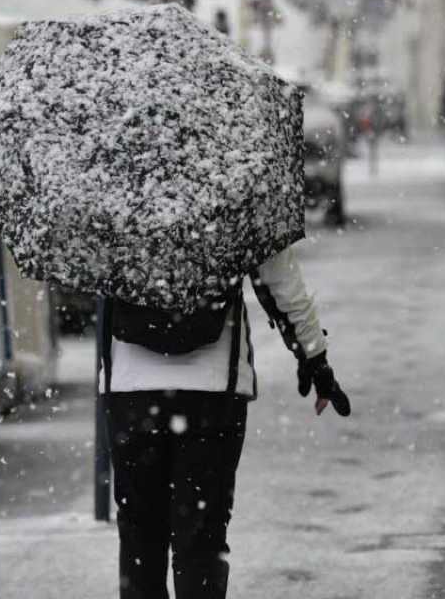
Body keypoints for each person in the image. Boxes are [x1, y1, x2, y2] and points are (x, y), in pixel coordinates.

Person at [102, 247, 349, 599]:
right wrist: (313, 356)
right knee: (201, 541)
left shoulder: (112, 198)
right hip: (212, 392)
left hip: (130, 391)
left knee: (140, 538)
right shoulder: (236, 198)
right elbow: (279, 279)